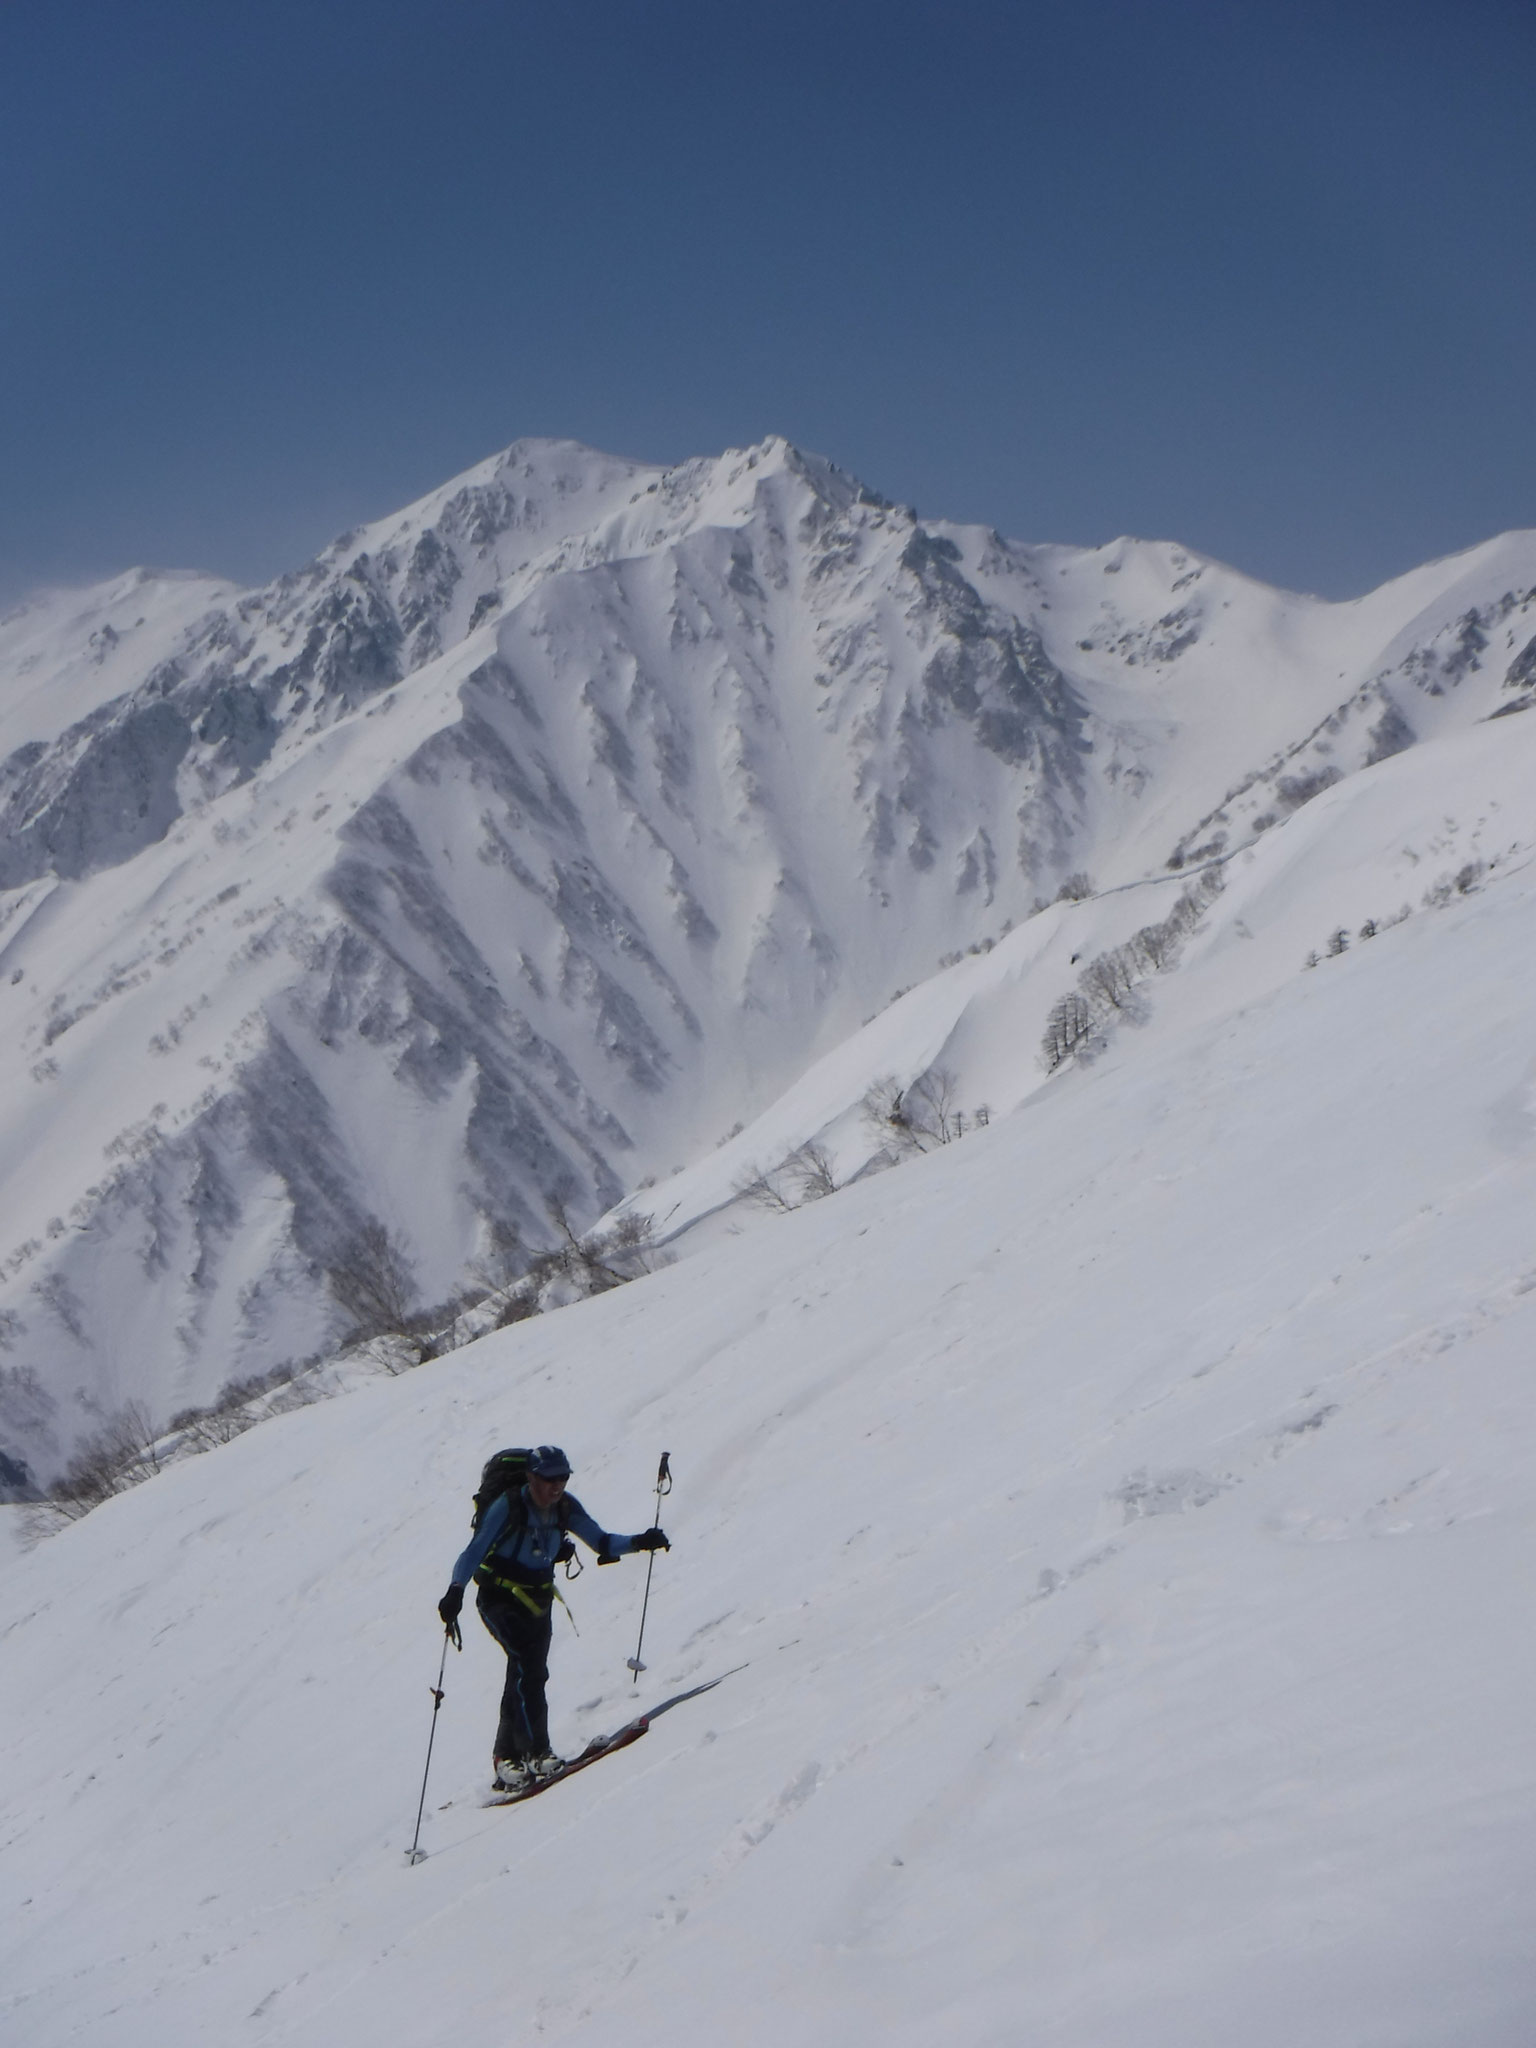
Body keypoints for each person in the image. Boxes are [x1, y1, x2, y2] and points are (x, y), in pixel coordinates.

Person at [436, 1444, 669, 1793]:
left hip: (539, 1599)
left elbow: (601, 1542)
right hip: (499, 1598)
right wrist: (456, 1589)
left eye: (562, 1478)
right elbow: (474, 1551)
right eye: (548, 1479)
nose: (556, 1486)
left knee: (526, 1672)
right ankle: (536, 1753)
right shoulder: (509, 1506)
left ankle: (506, 1760)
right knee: (527, 1667)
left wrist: (640, 1541)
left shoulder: (564, 1507)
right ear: (531, 1477)